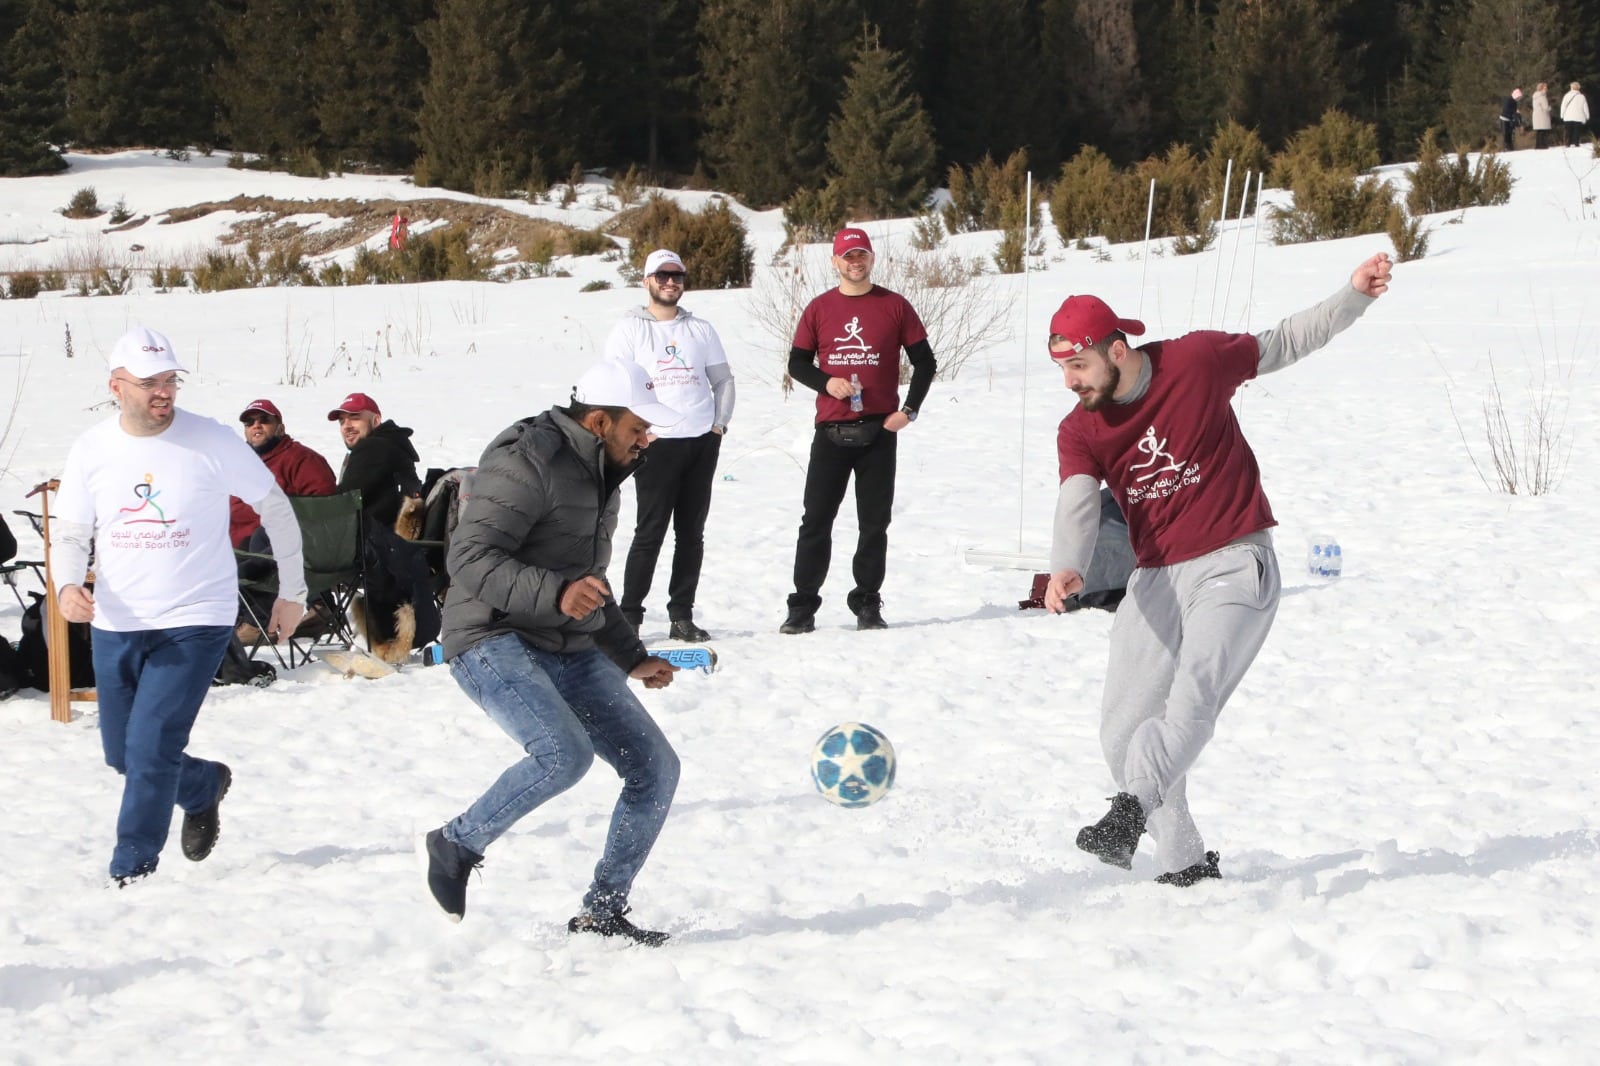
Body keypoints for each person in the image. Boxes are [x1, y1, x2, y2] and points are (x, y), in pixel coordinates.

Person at [1043, 253, 1393, 887]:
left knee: (1191, 700)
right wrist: (1067, 564)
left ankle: (1130, 809)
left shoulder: (1196, 361)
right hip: (1156, 578)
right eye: (1062, 368)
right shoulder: (1081, 427)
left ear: (1116, 350)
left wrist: (1353, 296)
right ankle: (1184, 866)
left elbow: (1284, 341)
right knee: (1123, 732)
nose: (1070, 381)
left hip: (1234, 560)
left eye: (1078, 365)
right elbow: (1076, 498)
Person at [420, 359, 684, 946]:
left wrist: (631, 655)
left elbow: (588, 582)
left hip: (567, 639)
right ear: (599, 421)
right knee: (562, 754)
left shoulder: (605, 473)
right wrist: (558, 593)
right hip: (490, 635)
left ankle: (603, 911)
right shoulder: (526, 461)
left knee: (655, 769)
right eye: (638, 427)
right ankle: (455, 842)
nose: (647, 440)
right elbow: (469, 558)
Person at [50, 327, 307, 886]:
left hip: (196, 618)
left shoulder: (211, 440)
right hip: (117, 621)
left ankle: (132, 870)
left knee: (150, 748)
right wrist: (67, 587)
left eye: (170, 380)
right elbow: (69, 532)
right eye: (149, 383)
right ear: (116, 387)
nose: (163, 392)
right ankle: (202, 785)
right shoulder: (92, 448)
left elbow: (275, 508)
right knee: (123, 755)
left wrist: (293, 593)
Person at [781, 227, 937, 633]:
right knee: (816, 520)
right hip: (831, 431)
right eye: (848, 256)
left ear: (871, 259)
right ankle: (802, 606)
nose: (855, 262)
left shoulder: (894, 305)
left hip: (879, 432)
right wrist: (826, 383)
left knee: (874, 523)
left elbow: (925, 361)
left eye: (861, 255)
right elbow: (797, 363)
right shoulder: (819, 308)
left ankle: (867, 601)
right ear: (835, 261)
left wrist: (909, 411)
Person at [606, 248, 736, 642]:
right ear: (646, 281)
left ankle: (682, 615)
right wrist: (636, 435)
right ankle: (630, 617)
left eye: (676, 276)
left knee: (691, 534)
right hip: (655, 445)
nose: (669, 283)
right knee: (650, 531)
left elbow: (722, 380)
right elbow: (615, 388)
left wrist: (718, 426)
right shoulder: (630, 329)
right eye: (661, 276)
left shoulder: (701, 329)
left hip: (700, 442)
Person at [229, 398, 337, 548]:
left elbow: (324, 508)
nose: (256, 425)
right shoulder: (239, 463)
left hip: (272, 549)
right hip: (230, 546)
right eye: (249, 422)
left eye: (264, 420)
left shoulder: (302, 459)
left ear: (280, 428)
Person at [328, 392, 421, 529]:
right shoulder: (392, 443)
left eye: (355, 418)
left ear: (376, 421)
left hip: (378, 538)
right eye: (342, 421)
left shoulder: (374, 447)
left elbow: (342, 501)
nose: (346, 426)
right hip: (391, 536)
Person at [1561, 81, 1590, 146]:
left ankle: (1567, 143)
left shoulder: (1566, 95)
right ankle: (1576, 143)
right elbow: (1585, 107)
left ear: (1571, 87)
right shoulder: (1582, 96)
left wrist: (1562, 115)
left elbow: (1563, 106)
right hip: (1578, 116)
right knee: (1577, 131)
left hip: (1568, 116)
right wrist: (1587, 116)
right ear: (1579, 88)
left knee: (1568, 131)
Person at [1500, 87, 1523, 152]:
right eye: (1518, 97)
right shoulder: (1509, 100)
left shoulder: (1514, 101)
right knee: (1506, 134)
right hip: (1504, 119)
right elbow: (1506, 110)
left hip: (1510, 119)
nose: (1519, 99)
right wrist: (1515, 112)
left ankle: (1510, 147)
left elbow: (1514, 110)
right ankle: (1506, 147)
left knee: (1510, 134)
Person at [1532, 83, 1553, 150]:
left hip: (1536, 114)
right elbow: (1545, 107)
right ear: (1542, 89)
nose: (1546, 89)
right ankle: (1543, 145)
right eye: (1545, 88)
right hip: (1542, 115)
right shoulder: (1542, 96)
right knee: (1543, 131)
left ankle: (1538, 145)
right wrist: (1550, 108)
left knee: (1539, 131)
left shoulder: (1535, 96)